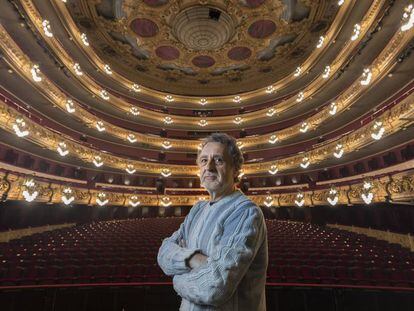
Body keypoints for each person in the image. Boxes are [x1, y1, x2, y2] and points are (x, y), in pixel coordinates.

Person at [157, 133, 268, 311]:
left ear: (235, 170)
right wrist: (193, 259)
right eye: (203, 160)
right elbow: (163, 252)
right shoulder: (197, 210)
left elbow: (215, 286)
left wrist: (177, 279)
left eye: (218, 160)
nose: (208, 167)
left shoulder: (246, 212)